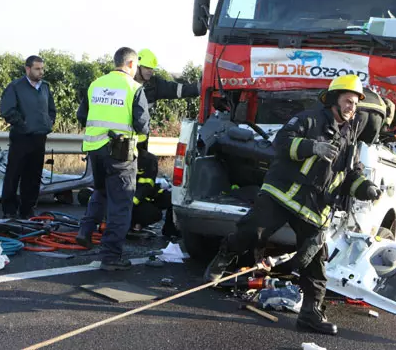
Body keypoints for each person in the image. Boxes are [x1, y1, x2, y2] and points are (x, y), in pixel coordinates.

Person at [203, 75, 381, 336]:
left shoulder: (350, 138)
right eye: (347, 101)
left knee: (315, 266)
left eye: (355, 103)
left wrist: (365, 188)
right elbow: (282, 143)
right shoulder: (308, 119)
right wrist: (313, 146)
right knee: (252, 231)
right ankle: (223, 258)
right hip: (282, 195)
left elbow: (350, 174)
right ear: (333, 99)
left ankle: (310, 315)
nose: (351, 107)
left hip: (313, 209)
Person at [75, 47, 149, 271]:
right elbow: (142, 125)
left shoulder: (96, 84)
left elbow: (82, 115)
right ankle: (110, 256)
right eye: (136, 65)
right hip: (120, 152)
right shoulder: (134, 88)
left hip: (95, 149)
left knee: (101, 190)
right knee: (121, 204)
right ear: (130, 64)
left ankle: (85, 231)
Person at [134, 48, 200, 236]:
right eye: (147, 68)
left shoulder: (153, 84)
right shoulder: (125, 84)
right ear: (137, 66)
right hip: (122, 144)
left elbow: (176, 89)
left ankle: (136, 213)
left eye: (152, 69)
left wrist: (199, 87)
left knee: (143, 176)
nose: (150, 72)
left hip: (141, 143)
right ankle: (129, 215)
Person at [0, 55, 56, 219]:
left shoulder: (44, 87)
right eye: (37, 69)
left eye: (42, 69)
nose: (41, 72)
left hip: (39, 137)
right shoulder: (16, 86)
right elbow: (7, 110)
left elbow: (51, 109)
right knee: (14, 173)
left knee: (33, 175)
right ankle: (9, 210)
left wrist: (49, 123)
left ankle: (28, 209)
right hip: (21, 137)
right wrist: (23, 125)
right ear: (28, 69)